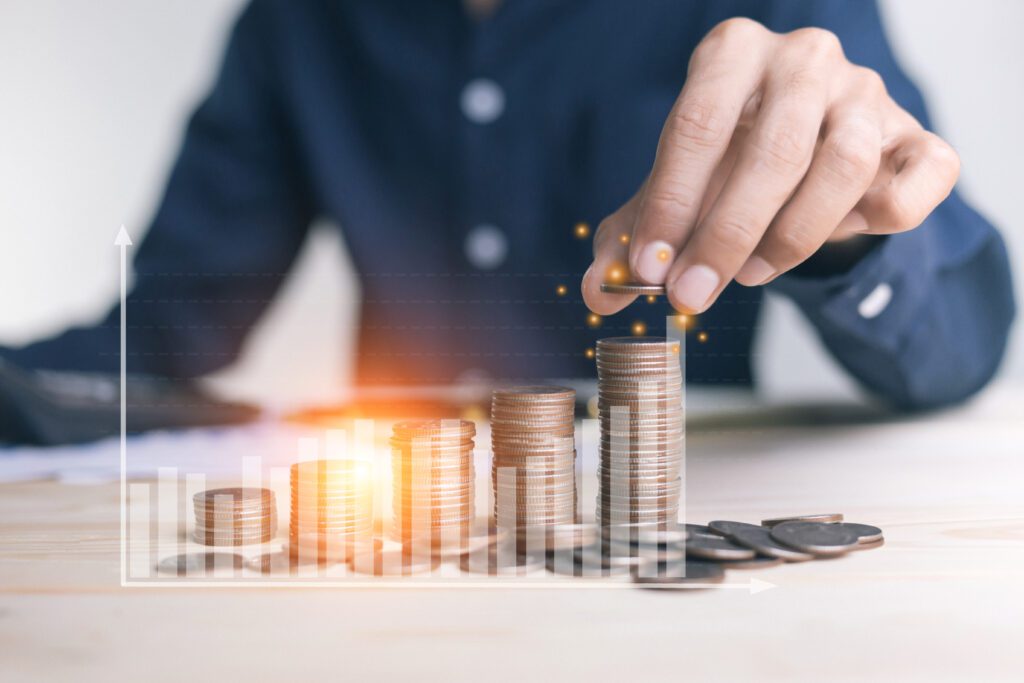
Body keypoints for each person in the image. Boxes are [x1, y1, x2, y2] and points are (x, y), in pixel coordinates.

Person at [1, 0, 1015, 414]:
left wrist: (848, 240)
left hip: (683, 576)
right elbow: (162, 335)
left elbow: (962, 339)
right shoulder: (295, 20)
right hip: (392, 579)